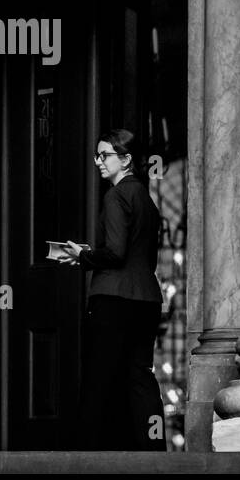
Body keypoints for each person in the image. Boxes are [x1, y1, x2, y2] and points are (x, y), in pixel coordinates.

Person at [59, 128, 166, 450]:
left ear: (126, 159)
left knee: (99, 379)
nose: (98, 162)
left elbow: (116, 253)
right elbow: (144, 256)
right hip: (146, 299)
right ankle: (153, 451)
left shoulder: (116, 195)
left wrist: (84, 255)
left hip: (114, 299)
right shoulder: (145, 199)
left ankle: (87, 455)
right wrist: (93, 255)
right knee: (140, 378)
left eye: (104, 155)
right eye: (97, 156)